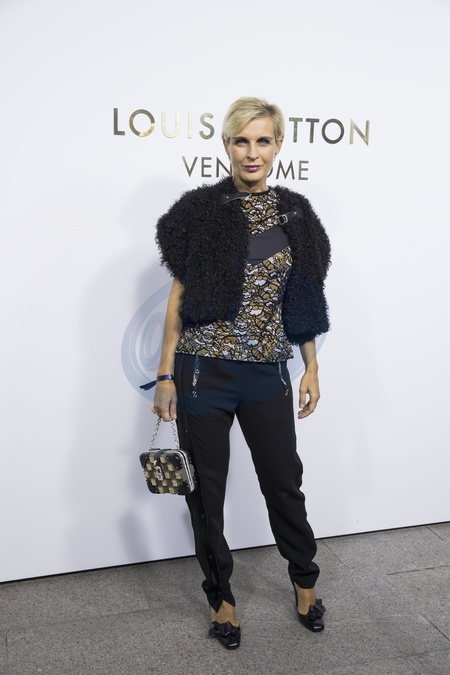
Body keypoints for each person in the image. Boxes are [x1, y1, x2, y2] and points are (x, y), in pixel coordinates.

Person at [150, 97, 331, 650]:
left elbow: (304, 298)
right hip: (202, 372)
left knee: (284, 483)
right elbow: (178, 298)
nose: (252, 152)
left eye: (263, 141)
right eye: (242, 141)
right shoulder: (198, 212)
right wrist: (165, 375)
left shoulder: (296, 214)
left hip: (267, 375)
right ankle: (221, 599)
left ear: (278, 146)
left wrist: (311, 366)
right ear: (227, 145)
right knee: (206, 495)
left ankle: (305, 583)